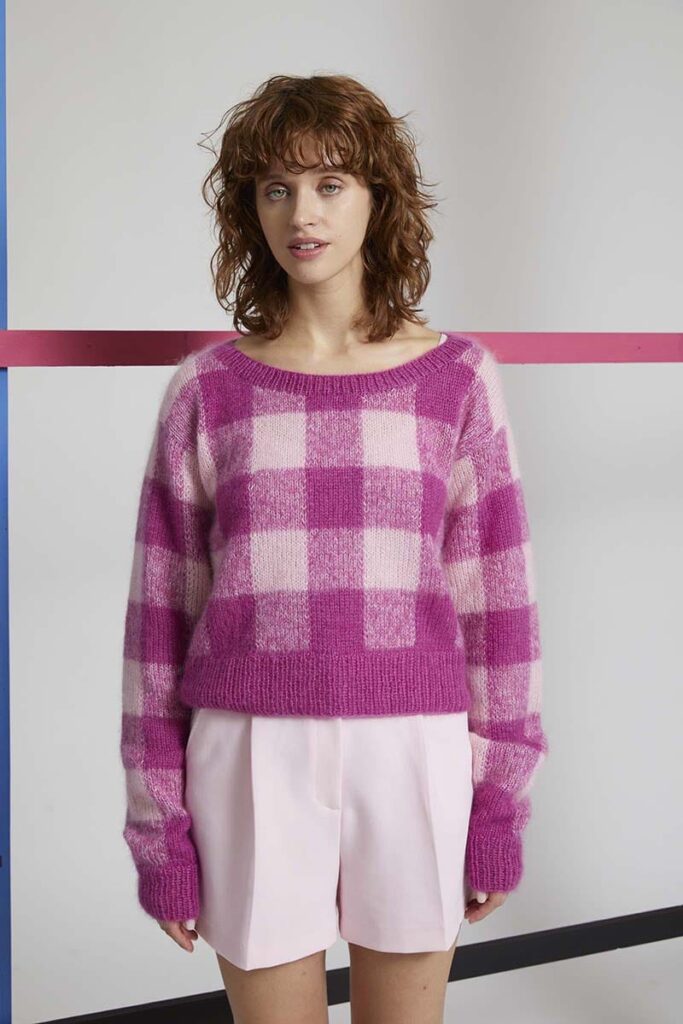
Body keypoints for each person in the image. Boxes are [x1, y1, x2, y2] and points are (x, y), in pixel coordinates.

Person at [120, 72, 549, 1023]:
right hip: (248, 751)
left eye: (329, 183)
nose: (300, 213)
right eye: (275, 188)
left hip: (414, 747)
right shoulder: (207, 390)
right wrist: (160, 831)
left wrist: (498, 807)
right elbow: (158, 624)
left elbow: (497, 609)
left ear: (376, 197)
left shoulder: (456, 379)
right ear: (249, 209)